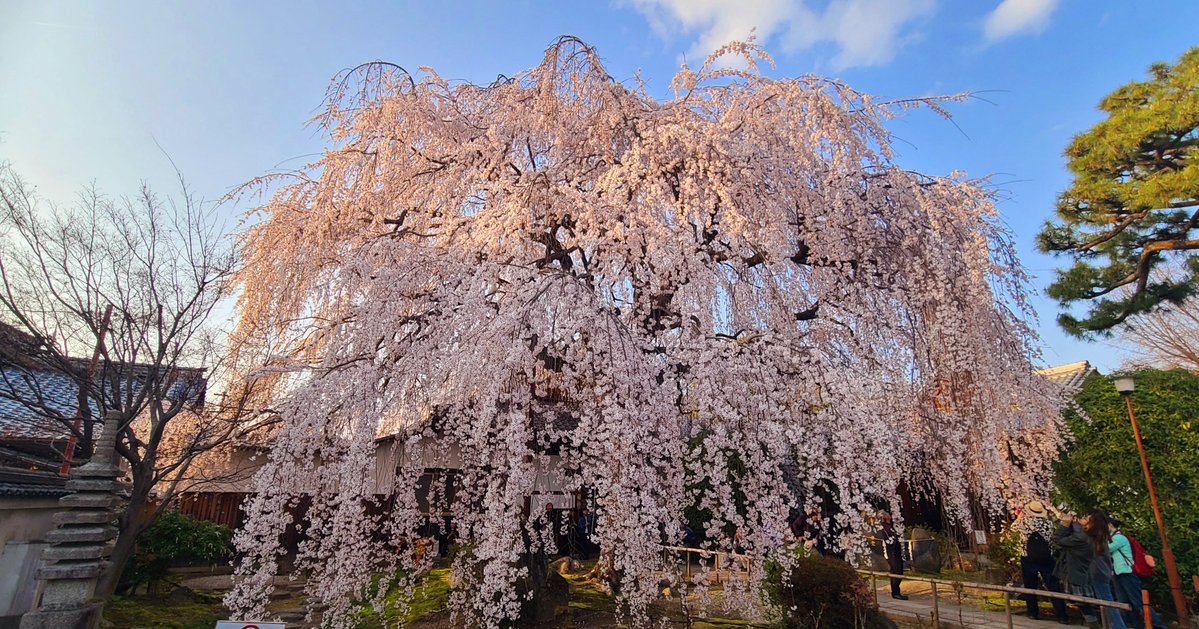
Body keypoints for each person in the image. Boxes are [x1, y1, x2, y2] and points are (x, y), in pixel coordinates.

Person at [1013, 501, 1068, 623]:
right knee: (1053, 586)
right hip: (1046, 557)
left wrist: (1020, 517)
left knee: (1030, 586)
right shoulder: (1048, 523)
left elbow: (1013, 528)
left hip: (1028, 558)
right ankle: (1062, 615)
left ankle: (1033, 613)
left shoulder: (1024, 522)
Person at [1109, 517, 1167, 629]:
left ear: (1110, 525)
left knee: (1138, 601)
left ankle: (1158, 626)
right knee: (1127, 602)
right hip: (1119, 573)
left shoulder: (1119, 538)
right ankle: (1138, 625)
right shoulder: (1114, 538)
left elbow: (1105, 549)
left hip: (1127, 572)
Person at [1083, 510, 1127, 629]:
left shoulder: (1092, 537)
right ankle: (1117, 626)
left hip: (1098, 572)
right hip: (1103, 572)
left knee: (1107, 601)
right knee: (1107, 601)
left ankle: (1119, 626)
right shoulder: (1102, 536)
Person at [1054, 511, 1098, 625]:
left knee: (1084, 605)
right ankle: (1094, 623)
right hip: (1081, 572)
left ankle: (1094, 625)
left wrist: (1065, 524)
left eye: (1086, 518)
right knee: (1085, 605)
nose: (1081, 518)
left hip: (1076, 573)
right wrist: (1073, 525)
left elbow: (1058, 539)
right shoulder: (1090, 536)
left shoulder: (1082, 537)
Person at [880, 511, 908, 600]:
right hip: (892, 553)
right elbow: (889, 539)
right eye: (887, 515)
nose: (889, 515)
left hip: (897, 551)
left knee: (899, 571)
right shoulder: (885, 527)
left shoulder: (892, 526)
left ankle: (896, 591)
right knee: (896, 572)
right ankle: (895, 593)